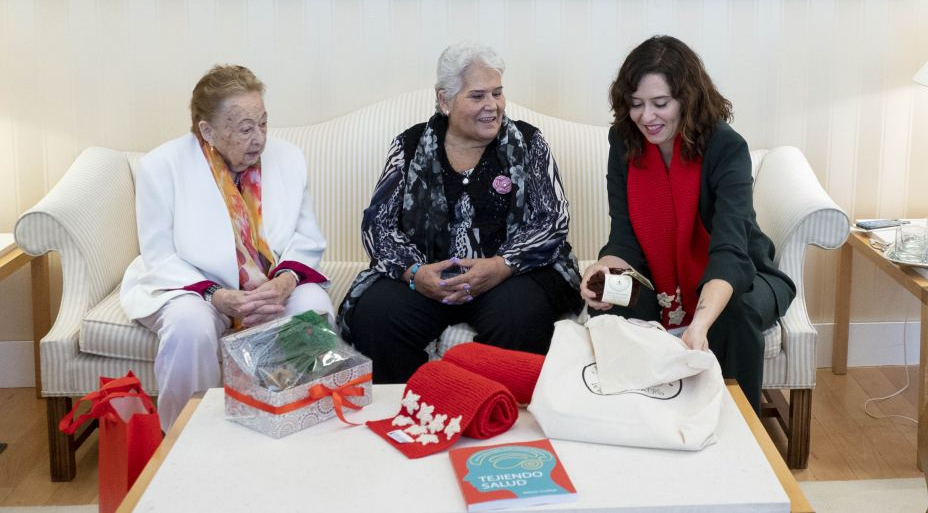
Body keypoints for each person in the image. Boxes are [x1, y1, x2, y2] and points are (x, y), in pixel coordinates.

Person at [338, 41, 582, 383]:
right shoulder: (409, 147)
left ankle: (497, 413)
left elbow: (552, 220)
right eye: (477, 96)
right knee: (377, 315)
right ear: (444, 101)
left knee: (517, 316)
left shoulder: (528, 143)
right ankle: (419, 407)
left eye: (497, 93)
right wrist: (414, 272)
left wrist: (501, 266)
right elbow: (378, 225)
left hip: (512, 275)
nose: (492, 106)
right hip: (430, 276)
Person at [579, 35, 796, 412]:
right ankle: (636, 418)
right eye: (636, 104)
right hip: (657, 279)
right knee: (614, 299)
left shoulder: (726, 146)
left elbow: (731, 248)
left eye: (660, 103)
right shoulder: (624, 142)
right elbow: (624, 237)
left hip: (744, 272)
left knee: (736, 312)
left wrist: (699, 324)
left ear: (687, 99)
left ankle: (738, 426)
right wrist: (603, 272)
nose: (647, 117)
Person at [120, 64, 334, 431]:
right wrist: (217, 296)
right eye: (245, 128)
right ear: (208, 130)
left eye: (263, 124)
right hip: (191, 285)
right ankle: (183, 438)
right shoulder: (161, 166)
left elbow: (305, 237)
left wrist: (283, 283)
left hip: (268, 282)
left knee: (312, 308)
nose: (260, 139)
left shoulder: (289, 158)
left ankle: (299, 426)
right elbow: (159, 254)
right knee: (189, 328)